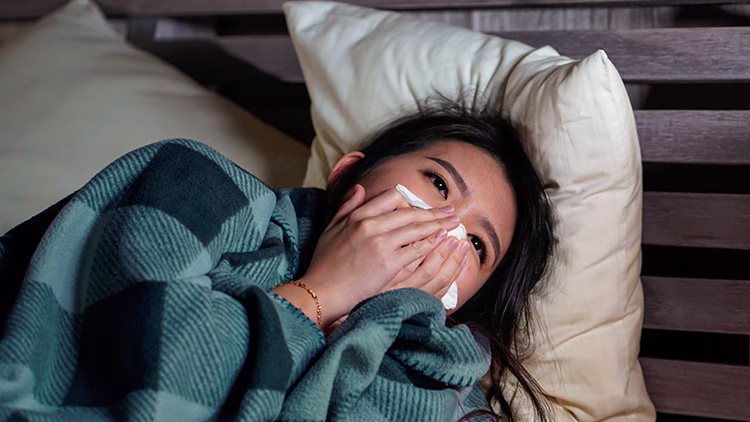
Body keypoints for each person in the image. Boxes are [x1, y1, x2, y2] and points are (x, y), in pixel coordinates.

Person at [0, 101, 554, 421]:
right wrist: (325, 291)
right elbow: (154, 385)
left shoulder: (446, 395)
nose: (443, 229)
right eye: (436, 183)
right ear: (346, 177)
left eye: (477, 246)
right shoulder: (195, 184)